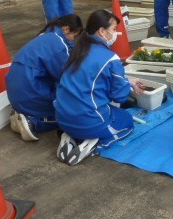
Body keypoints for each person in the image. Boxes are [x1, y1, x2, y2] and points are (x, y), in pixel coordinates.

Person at [54, 9, 145, 166]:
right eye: (114, 29)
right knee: (127, 122)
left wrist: (128, 80)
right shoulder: (110, 58)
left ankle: (71, 136)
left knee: (92, 105)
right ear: (102, 31)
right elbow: (119, 96)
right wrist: (126, 84)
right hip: (88, 120)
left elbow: (90, 78)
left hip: (62, 117)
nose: (115, 33)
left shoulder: (78, 50)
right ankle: (94, 143)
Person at [6, 14, 83, 141]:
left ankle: (22, 113)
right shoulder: (58, 43)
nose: (72, 40)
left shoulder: (46, 34)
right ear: (66, 29)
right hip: (30, 92)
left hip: (15, 90)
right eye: (74, 36)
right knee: (73, 115)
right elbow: (66, 76)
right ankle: (33, 122)